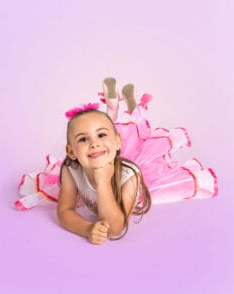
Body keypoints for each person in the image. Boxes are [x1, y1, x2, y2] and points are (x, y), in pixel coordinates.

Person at [15, 77, 218, 245]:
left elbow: (115, 228)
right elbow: (64, 211)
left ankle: (131, 105)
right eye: (83, 139)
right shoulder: (71, 167)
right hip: (107, 155)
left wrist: (103, 183)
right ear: (71, 151)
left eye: (100, 136)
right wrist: (87, 228)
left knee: (136, 133)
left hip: (124, 167)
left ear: (117, 142)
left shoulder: (131, 176)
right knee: (113, 133)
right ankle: (116, 107)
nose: (93, 144)